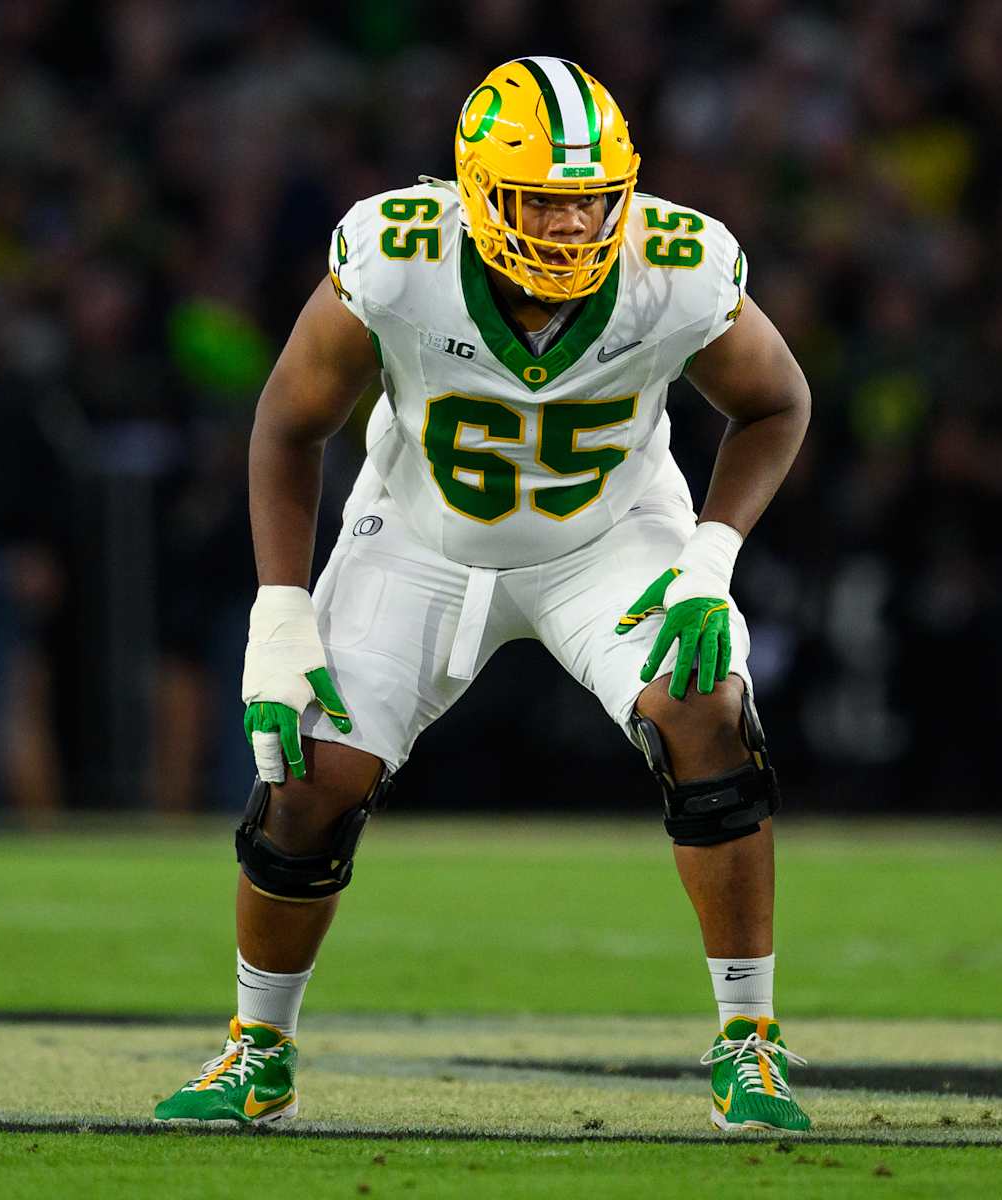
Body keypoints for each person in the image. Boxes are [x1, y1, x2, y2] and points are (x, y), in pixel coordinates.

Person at [154, 56, 813, 1134]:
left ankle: (751, 1042)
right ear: (475, 192)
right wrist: (280, 611)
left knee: (707, 706)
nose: (567, 225)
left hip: (608, 539)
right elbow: (287, 419)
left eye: (589, 199)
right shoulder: (400, 255)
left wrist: (708, 558)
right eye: (541, 199)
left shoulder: (678, 263)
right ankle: (255, 1051)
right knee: (307, 775)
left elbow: (778, 402)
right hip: (419, 534)